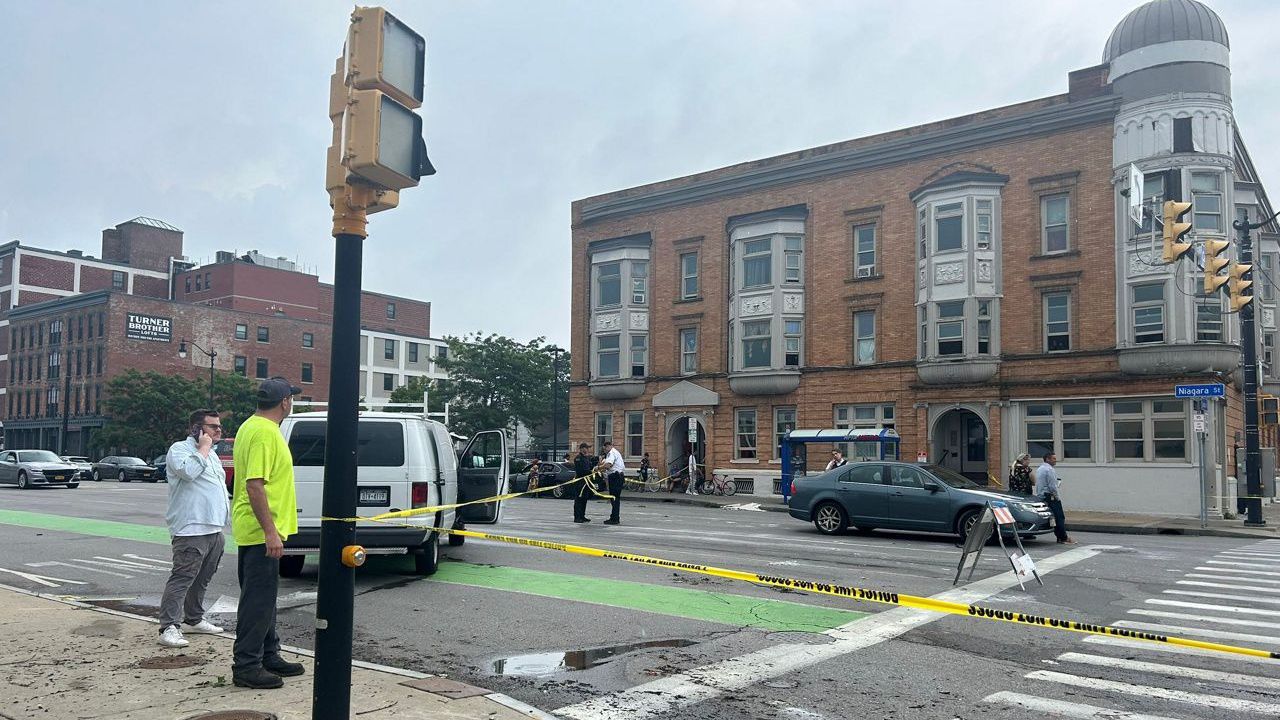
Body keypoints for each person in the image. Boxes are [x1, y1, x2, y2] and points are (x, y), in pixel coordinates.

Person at [230, 377, 306, 689]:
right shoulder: (263, 433)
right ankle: (247, 665)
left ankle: (268, 653)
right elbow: (254, 484)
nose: (292, 402)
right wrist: (271, 532)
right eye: (292, 398)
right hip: (261, 530)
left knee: (266, 598)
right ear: (285, 402)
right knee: (258, 602)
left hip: (256, 528)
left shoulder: (252, 426)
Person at [156, 409, 230, 648]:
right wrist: (204, 448)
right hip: (191, 527)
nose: (218, 431)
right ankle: (168, 626)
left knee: (202, 578)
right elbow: (188, 472)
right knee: (182, 577)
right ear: (197, 429)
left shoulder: (213, 455)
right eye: (213, 427)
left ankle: (194, 618)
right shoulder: (180, 450)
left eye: (219, 426)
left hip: (213, 526)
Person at [1034, 452, 1075, 545]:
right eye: (1053, 459)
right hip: (1050, 496)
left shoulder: (1040, 469)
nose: (1055, 460)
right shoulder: (1049, 470)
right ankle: (1063, 537)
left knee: (1052, 516)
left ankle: (1060, 536)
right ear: (1047, 459)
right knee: (1059, 517)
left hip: (1042, 495)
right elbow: (1052, 486)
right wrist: (1057, 497)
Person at [598, 440, 626, 525]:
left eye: (605, 449)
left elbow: (608, 465)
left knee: (614, 498)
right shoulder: (615, 453)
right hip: (618, 476)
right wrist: (600, 464)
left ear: (608, 446)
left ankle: (614, 518)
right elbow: (605, 464)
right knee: (614, 498)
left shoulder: (611, 453)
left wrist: (598, 468)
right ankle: (614, 517)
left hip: (615, 477)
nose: (605, 451)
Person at [572, 442, 597, 523]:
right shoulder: (578, 458)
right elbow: (581, 471)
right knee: (579, 499)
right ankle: (577, 517)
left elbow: (589, 466)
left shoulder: (586, 458)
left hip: (586, 481)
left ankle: (582, 516)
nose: (588, 450)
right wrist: (591, 472)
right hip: (580, 481)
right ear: (582, 448)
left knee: (584, 499)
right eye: (586, 448)